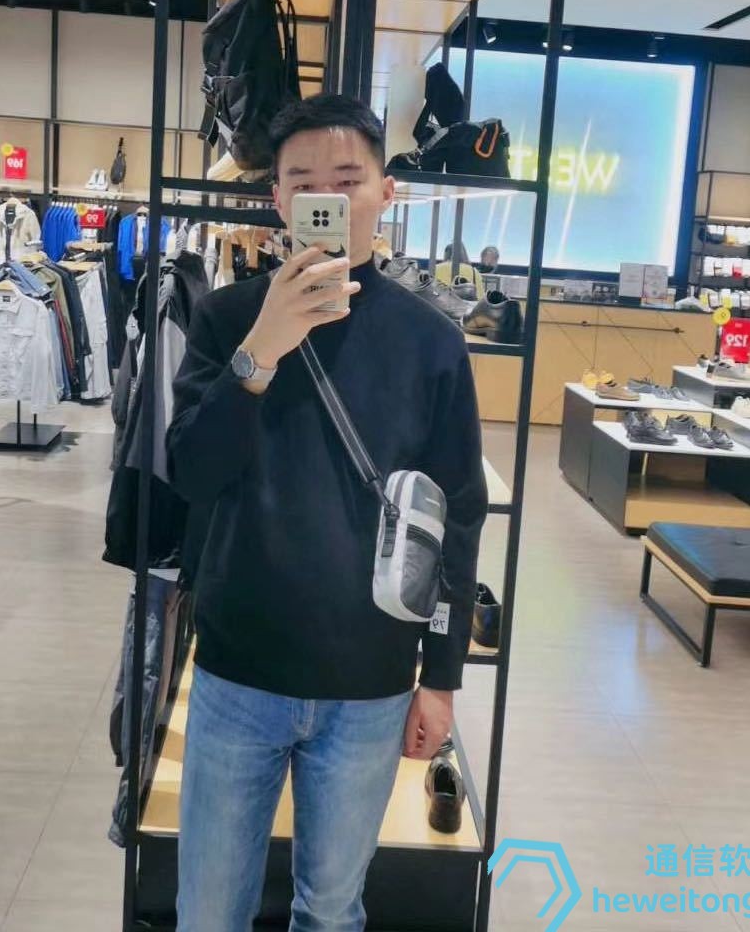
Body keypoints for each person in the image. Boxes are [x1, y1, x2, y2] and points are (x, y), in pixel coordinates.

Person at [166, 93, 487, 931]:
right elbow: (192, 472)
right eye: (304, 181)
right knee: (208, 911)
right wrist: (258, 354)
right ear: (276, 198)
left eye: (349, 180)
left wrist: (441, 678)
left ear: (386, 192)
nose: (329, 198)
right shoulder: (227, 319)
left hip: (370, 682)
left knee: (334, 909)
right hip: (238, 670)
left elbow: (457, 515)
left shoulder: (431, 342)